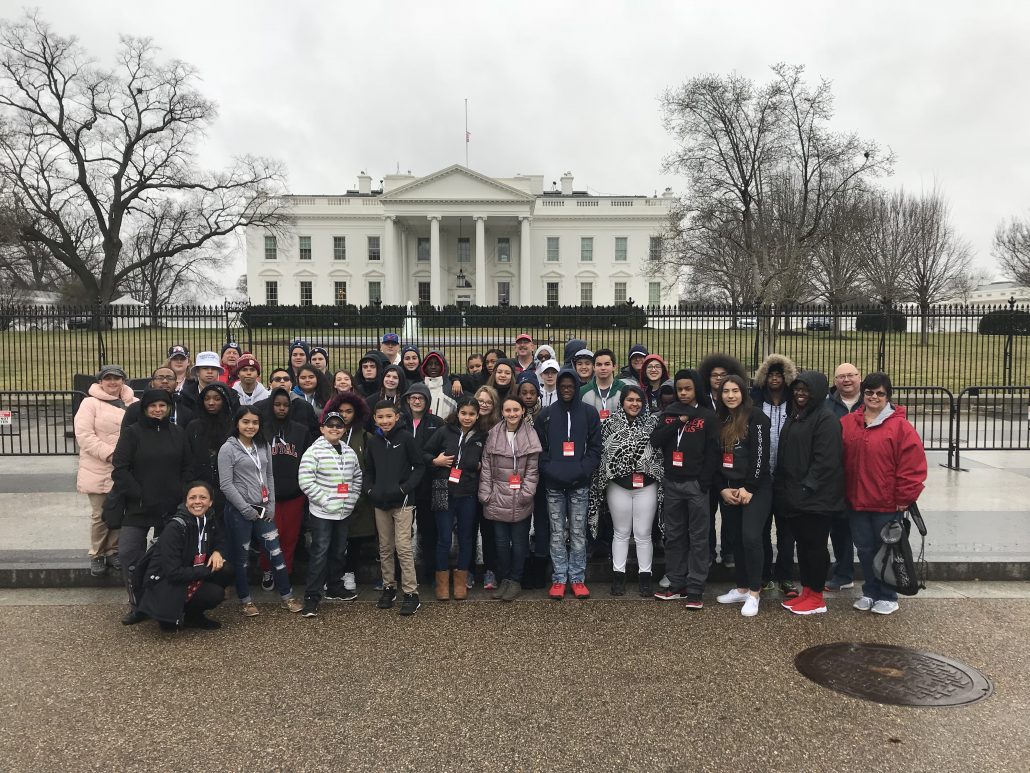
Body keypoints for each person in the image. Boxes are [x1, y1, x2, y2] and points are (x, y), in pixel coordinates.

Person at [841, 372, 927, 616]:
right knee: (866, 550)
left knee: (888, 551)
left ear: (888, 396)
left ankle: (888, 594)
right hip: (857, 501)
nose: (874, 397)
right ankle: (870, 590)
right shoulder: (849, 423)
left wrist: (905, 497)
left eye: (880, 393)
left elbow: (913, 466)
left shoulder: (900, 427)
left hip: (887, 504)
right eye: (869, 392)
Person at [112, 388, 192, 625]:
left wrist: (182, 494)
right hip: (139, 506)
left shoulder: (178, 433)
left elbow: (187, 467)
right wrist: (138, 494)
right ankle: (137, 604)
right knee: (128, 553)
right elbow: (120, 468)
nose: (158, 410)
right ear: (145, 408)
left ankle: (161, 603)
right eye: (153, 406)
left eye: (163, 406)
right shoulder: (132, 433)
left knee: (165, 558)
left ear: (169, 408)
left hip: (170, 507)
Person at [218, 406, 304, 616]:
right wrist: (246, 509)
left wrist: (271, 504)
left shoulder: (263, 444)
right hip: (240, 511)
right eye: (245, 422)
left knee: (276, 552)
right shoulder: (227, 449)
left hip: (263, 508)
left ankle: (287, 595)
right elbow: (226, 485)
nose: (250, 426)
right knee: (242, 557)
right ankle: (245, 600)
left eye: (254, 422)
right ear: (237, 423)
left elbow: (269, 476)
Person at [774, 371, 846, 616]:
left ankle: (816, 597)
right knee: (803, 547)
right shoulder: (796, 416)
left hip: (816, 499)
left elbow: (825, 461)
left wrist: (807, 487)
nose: (800, 393)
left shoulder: (825, 419)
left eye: (805, 389)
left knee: (815, 547)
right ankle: (806, 591)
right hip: (795, 496)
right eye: (797, 389)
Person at [650, 370, 720, 609]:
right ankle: (677, 582)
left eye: (688, 388)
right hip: (672, 483)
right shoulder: (670, 413)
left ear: (696, 389)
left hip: (695, 485)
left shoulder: (707, 416)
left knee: (698, 537)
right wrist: (678, 422)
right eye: (680, 389)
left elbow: (713, 452)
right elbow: (656, 440)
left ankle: (695, 588)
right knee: (674, 535)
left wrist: (704, 482)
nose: (683, 393)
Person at [537, 367, 602, 600]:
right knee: (556, 533)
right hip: (553, 484)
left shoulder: (589, 413)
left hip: (579, 483)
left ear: (576, 387)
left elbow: (596, 448)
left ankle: (577, 578)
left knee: (577, 532)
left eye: (570, 386)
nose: (566, 390)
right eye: (562, 386)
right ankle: (559, 578)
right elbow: (539, 451)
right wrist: (550, 470)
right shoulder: (545, 415)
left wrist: (582, 470)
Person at [592, 385, 661, 597]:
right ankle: (618, 577)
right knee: (620, 533)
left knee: (643, 534)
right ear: (622, 402)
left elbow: (659, 456)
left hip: (646, 486)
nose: (634, 404)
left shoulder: (653, 424)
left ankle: (645, 578)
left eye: (638, 400)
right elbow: (603, 455)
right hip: (618, 486)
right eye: (630, 400)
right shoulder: (610, 424)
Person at [714, 376, 773, 617]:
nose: (730, 395)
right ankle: (741, 587)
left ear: (743, 393)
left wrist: (749, 486)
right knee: (735, 538)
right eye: (726, 391)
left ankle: (755, 592)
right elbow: (714, 458)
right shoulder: (719, 418)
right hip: (729, 488)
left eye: (735, 391)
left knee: (751, 536)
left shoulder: (756, 417)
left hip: (755, 488)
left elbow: (761, 454)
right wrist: (722, 488)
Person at [138, 481, 231, 631]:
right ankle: (168, 613)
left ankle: (193, 615)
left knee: (226, 569)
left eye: (203, 497)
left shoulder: (209, 519)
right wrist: (208, 571)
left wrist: (218, 552)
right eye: (192, 498)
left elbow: (221, 540)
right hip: (168, 582)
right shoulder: (175, 528)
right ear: (186, 502)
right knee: (168, 627)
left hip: (192, 572)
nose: (198, 502)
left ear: (211, 502)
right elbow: (173, 573)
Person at [298, 410, 364, 617]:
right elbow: (306, 481)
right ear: (322, 428)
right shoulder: (313, 452)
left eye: (339, 425)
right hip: (322, 513)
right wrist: (326, 502)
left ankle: (335, 586)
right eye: (330, 425)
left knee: (338, 551)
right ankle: (312, 595)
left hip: (343, 512)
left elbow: (357, 477)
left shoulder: (349, 452)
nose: (334, 429)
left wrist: (351, 500)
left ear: (344, 430)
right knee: (320, 553)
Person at [75, 364, 138, 576]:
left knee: (120, 512)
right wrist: (111, 454)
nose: (113, 382)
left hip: (126, 468)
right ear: (100, 381)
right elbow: (84, 436)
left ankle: (113, 550)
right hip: (99, 466)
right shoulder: (89, 403)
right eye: (108, 378)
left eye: (117, 378)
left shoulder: (134, 403)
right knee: (100, 514)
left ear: (123, 381)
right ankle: (97, 553)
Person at [365, 401, 425, 616]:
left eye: (389, 416)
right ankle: (388, 587)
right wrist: (370, 490)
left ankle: (411, 593)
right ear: (375, 419)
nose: (385, 421)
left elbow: (419, 466)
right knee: (385, 547)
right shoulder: (373, 442)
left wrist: (405, 488)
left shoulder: (406, 438)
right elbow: (368, 470)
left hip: (403, 502)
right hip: (380, 502)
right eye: (380, 417)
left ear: (397, 417)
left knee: (403, 547)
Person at [479, 395, 542, 601]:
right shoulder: (493, 434)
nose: (512, 414)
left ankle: (515, 579)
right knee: (501, 544)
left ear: (523, 411)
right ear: (502, 412)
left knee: (520, 542)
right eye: (508, 410)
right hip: (498, 498)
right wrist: (486, 493)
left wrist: (526, 492)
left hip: (520, 498)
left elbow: (532, 470)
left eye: (516, 410)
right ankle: (504, 578)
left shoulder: (530, 435)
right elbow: (487, 468)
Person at [423, 396, 485, 600]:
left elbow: (488, 459)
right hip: (443, 489)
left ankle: (460, 580)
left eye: (472, 414)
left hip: (467, 492)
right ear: (457, 413)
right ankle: (442, 582)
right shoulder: (443, 431)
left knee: (466, 537)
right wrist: (435, 461)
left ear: (477, 416)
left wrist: (480, 465)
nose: (467, 418)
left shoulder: (481, 436)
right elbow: (424, 453)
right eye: (464, 413)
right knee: (444, 539)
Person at [751, 353, 799, 598]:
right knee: (761, 529)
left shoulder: (794, 402)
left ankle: (786, 577)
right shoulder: (756, 401)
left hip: (787, 477)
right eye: (770, 375)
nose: (775, 379)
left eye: (779, 375)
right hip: (762, 475)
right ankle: (764, 575)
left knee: (786, 532)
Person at [256, 387, 312, 590]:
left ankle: (284, 570)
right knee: (269, 535)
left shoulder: (300, 430)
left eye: (285, 405)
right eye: (277, 405)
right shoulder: (261, 429)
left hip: (294, 493)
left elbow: (307, 460)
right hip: (267, 494)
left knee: (290, 536)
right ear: (271, 406)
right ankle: (267, 569)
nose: (281, 408)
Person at [321, 391, 377, 593]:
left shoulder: (365, 437)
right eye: (341, 411)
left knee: (355, 538)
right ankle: (333, 574)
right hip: (331, 497)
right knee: (333, 541)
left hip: (358, 496)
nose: (344, 415)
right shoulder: (329, 435)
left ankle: (350, 572)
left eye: (349, 411)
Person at [699, 352, 748, 570]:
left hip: (730, 466)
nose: (718, 379)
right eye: (714, 375)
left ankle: (729, 551)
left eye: (723, 375)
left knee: (730, 514)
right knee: (707, 514)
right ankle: (709, 551)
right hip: (706, 465)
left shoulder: (735, 402)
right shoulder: (702, 400)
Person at [824, 362, 863, 592]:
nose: (846, 380)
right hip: (836, 477)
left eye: (851, 375)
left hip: (864, 476)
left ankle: (875, 575)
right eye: (841, 377)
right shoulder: (827, 406)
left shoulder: (870, 401)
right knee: (839, 528)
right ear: (835, 381)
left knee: (866, 529)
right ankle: (844, 572)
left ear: (859, 377)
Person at [402, 382, 445, 575]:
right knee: (402, 530)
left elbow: (441, 449)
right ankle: (400, 572)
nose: (417, 401)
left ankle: (430, 570)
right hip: (404, 481)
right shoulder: (399, 421)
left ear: (427, 401)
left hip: (428, 481)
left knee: (429, 528)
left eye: (421, 398)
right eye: (413, 398)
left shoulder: (437, 422)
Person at [184, 383, 235, 507]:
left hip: (228, 487)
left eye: (217, 399)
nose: (211, 403)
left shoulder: (233, 426)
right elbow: (187, 456)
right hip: (200, 486)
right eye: (207, 399)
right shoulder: (193, 426)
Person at [472, 385, 501, 589]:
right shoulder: (466, 422)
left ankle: (491, 570)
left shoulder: (498, 427)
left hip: (492, 485)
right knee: (469, 530)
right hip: (469, 485)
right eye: (481, 401)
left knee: (489, 530)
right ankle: (469, 571)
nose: (484, 404)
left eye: (488, 402)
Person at [256, 369, 319, 440]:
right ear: (270, 385)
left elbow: (314, 433)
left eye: (286, 379)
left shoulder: (305, 406)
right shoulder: (259, 407)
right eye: (277, 379)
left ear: (291, 384)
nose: (282, 381)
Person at [122, 366, 194, 427]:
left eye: (170, 378)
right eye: (160, 378)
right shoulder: (135, 409)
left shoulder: (186, 410)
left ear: (176, 384)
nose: (165, 381)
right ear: (152, 383)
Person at [580, 348, 625, 420]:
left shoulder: (624, 389)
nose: (603, 368)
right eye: (599, 365)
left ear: (614, 367)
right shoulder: (582, 391)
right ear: (594, 367)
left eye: (607, 364)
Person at [421, 350, 456, 419]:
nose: (433, 367)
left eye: (437, 364)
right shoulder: (418, 387)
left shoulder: (452, 387)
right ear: (425, 367)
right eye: (430, 364)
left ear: (443, 367)